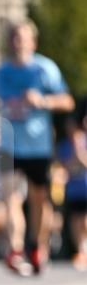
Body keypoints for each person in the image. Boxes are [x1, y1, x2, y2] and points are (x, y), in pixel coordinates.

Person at [0, 20, 74, 275]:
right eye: (15, 37)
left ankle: (37, 246)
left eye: (23, 37)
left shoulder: (44, 68)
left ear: (32, 42)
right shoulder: (2, 72)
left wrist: (43, 101)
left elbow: (67, 101)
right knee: (11, 196)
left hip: (38, 145)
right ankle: (16, 249)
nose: (19, 42)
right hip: (10, 143)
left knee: (40, 200)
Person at [57, 100, 87, 270]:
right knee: (76, 219)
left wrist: (80, 154)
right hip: (74, 189)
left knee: (85, 220)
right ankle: (81, 250)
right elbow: (63, 166)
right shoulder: (65, 146)